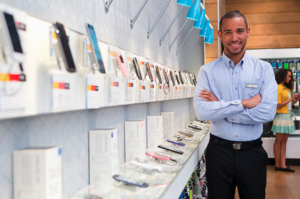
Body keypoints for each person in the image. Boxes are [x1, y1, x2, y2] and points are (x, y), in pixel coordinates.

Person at [193, 11, 277, 199]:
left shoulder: (263, 69)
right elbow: (201, 111)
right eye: (228, 32)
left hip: (252, 153)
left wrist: (221, 108)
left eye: (239, 31)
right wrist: (245, 103)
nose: (234, 38)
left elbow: (267, 113)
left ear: (248, 32)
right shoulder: (207, 71)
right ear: (220, 35)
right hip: (218, 154)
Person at [272, 69, 299, 172]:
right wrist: (291, 98)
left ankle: (282, 165)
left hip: (287, 116)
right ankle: (277, 165)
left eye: (290, 76)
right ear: (283, 76)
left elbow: (288, 105)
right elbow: (277, 105)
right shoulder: (278, 88)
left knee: (284, 141)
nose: (290, 78)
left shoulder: (286, 89)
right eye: (288, 76)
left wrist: (295, 100)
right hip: (281, 117)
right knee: (279, 141)